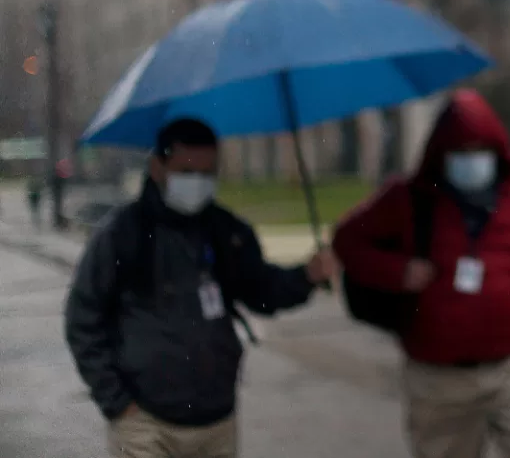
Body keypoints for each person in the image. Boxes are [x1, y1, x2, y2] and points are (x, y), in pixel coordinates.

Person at [334, 89, 510, 458]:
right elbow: (347, 241)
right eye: (461, 151)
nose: (471, 160)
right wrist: (398, 271)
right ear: (441, 154)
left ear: (497, 150)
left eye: (479, 150)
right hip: (437, 380)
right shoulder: (410, 198)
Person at [65, 118, 338, 458]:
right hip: (146, 424)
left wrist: (307, 275)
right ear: (158, 167)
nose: (198, 182)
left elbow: (263, 291)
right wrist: (117, 403)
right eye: (187, 171)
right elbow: (82, 320)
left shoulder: (227, 231)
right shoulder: (122, 235)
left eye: (208, 173)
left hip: (216, 420)